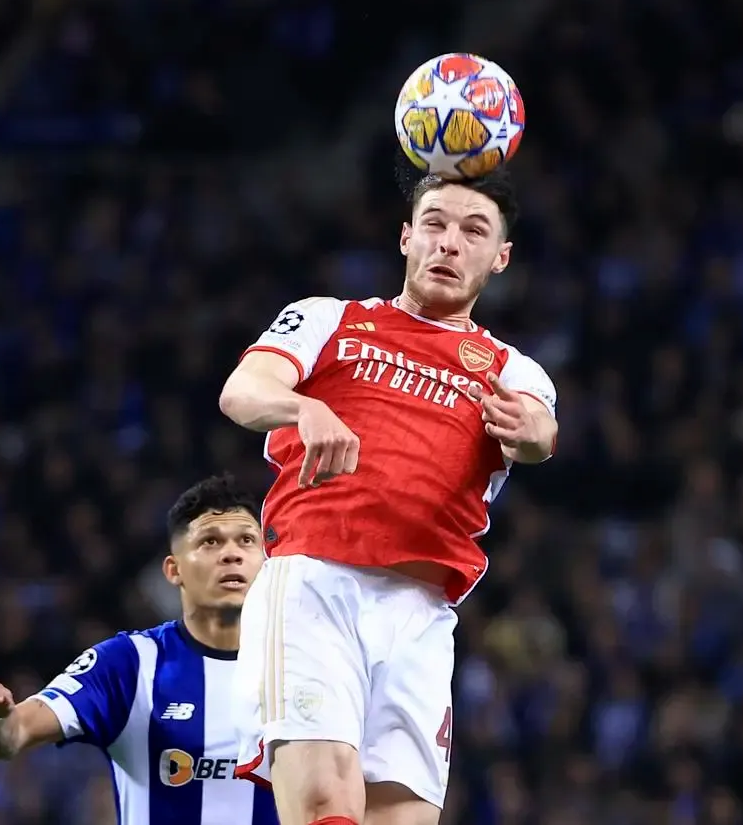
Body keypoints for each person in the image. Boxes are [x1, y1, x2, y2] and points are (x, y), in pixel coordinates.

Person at [219, 169, 558, 825]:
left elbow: (540, 430)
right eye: (434, 224)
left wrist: (536, 433)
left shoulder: (512, 370)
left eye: (474, 231)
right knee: (325, 801)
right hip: (314, 580)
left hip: (421, 611)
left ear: (501, 257)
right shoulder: (330, 319)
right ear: (406, 237)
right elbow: (242, 390)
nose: (449, 243)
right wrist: (304, 405)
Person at [0, 475, 278, 825]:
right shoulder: (129, 663)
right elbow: (9, 737)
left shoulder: (303, 664)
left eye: (246, 540)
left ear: (266, 562)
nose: (231, 554)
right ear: (174, 570)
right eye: (210, 542)